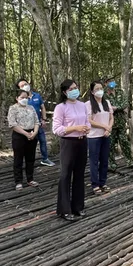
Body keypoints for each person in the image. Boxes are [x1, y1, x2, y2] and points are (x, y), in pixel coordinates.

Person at [52, 79, 90, 221]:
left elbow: (86, 121)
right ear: (64, 92)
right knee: (65, 175)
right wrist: (74, 128)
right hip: (68, 142)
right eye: (71, 89)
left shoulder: (82, 105)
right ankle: (64, 209)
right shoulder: (60, 107)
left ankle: (78, 206)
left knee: (79, 175)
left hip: (82, 141)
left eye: (76, 87)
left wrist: (86, 127)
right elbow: (57, 129)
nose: (75, 90)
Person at [16, 79, 55, 167]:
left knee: (43, 141)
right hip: (27, 126)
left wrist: (44, 119)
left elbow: (43, 107)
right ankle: (25, 162)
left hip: (39, 124)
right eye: (21, 86)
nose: (24, 86)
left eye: (25, 84)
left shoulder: (37, 96)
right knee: (27, 144)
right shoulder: (22, 99)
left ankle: (45, 159)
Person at [7, 90, 41, 190]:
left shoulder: (31, 108)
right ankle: (18, 181)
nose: (24, 99)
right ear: (17, 98)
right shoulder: (13, 108)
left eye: (26, 97)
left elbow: (37, 121)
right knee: (18, 158)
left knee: (30, 158)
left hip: (32, 135)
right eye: (22, 98)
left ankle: (30, 179)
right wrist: (25, 133)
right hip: (19, 136)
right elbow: (12, 124)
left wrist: (34, 133)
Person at [85, 81, 114, 194]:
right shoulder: (88, 104)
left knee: (104, 160)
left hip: (106, 135)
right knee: (94, 161)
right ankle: (95, 184)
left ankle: (103, 182)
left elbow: (111, 117)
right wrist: (104, 126)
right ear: (92, 92)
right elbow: (89, 120)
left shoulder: (107, 102)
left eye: (101, 88)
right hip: (93, 136)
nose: (99, 91)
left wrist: (108, 128)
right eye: (96, 89)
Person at [104, 77, 133, 170]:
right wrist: (114, 108)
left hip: (121, 122)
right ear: (105, 83)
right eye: (109, 81)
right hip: (110, 123)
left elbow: (125, 103)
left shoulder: (120, 92)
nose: (112, 83)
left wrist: (116, 108)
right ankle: (112, 164)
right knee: (111, 144)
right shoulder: (104, 95)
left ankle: (130, 161)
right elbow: (104, 107)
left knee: (124, 141)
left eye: (112, 81)